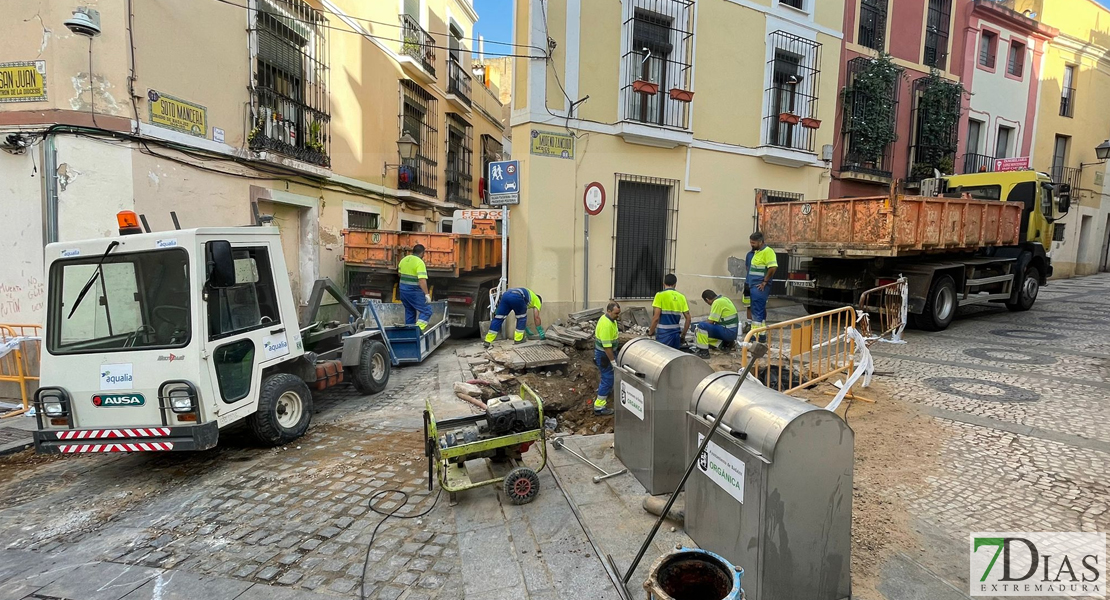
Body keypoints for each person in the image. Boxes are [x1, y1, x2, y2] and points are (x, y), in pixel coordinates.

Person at [747, 232, 778, 340]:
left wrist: (765, 281)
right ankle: (762, 334)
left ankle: (755, 335)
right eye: (751, 242)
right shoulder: (757, 252)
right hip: (755, 285)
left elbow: (773, 267)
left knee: (756, 310)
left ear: (760, 242)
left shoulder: (768, 252)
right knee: (759, 309)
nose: (751, 244)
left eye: (753, 242)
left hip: (759, 286)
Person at [593, 301, 621, 416]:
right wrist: (613, 361)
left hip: (606, 353)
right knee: (608, 378)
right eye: (615, 313)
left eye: (618, 313)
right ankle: (599, 407)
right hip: (604, 355)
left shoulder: (610, 320)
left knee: (607, 377)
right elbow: (607, 346)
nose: (617, 316)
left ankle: (605, 393)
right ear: (609, 311)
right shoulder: (606, 324)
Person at [648, 274, 691, 349]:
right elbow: (688, 319)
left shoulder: (659, 295)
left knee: (662, 357)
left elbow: (656, 318)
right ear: (675, 284)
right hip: (676, 335)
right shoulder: (681, 297)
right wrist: (683, 335)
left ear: (664, 283)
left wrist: (650, 332)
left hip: (663, 335)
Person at [694, 290, 739, 359]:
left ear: (707, 300)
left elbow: (711, 321)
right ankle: (725, 344)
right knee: (704, 333)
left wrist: (698, 324)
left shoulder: (716, 302)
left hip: (728, 332)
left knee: (701, 327)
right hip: (731, 333)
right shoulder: (724, 299)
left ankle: (703, 352)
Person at [398, 244, 432, 330]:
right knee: (427, 311)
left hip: (403, 290)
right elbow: (422, 280)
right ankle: (417, 330)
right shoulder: (419, 262)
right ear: (422, 253)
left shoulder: (404, 260)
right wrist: (427, 294)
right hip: (413, 291)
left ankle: (409, 333)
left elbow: (399, 274)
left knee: (410, 311)